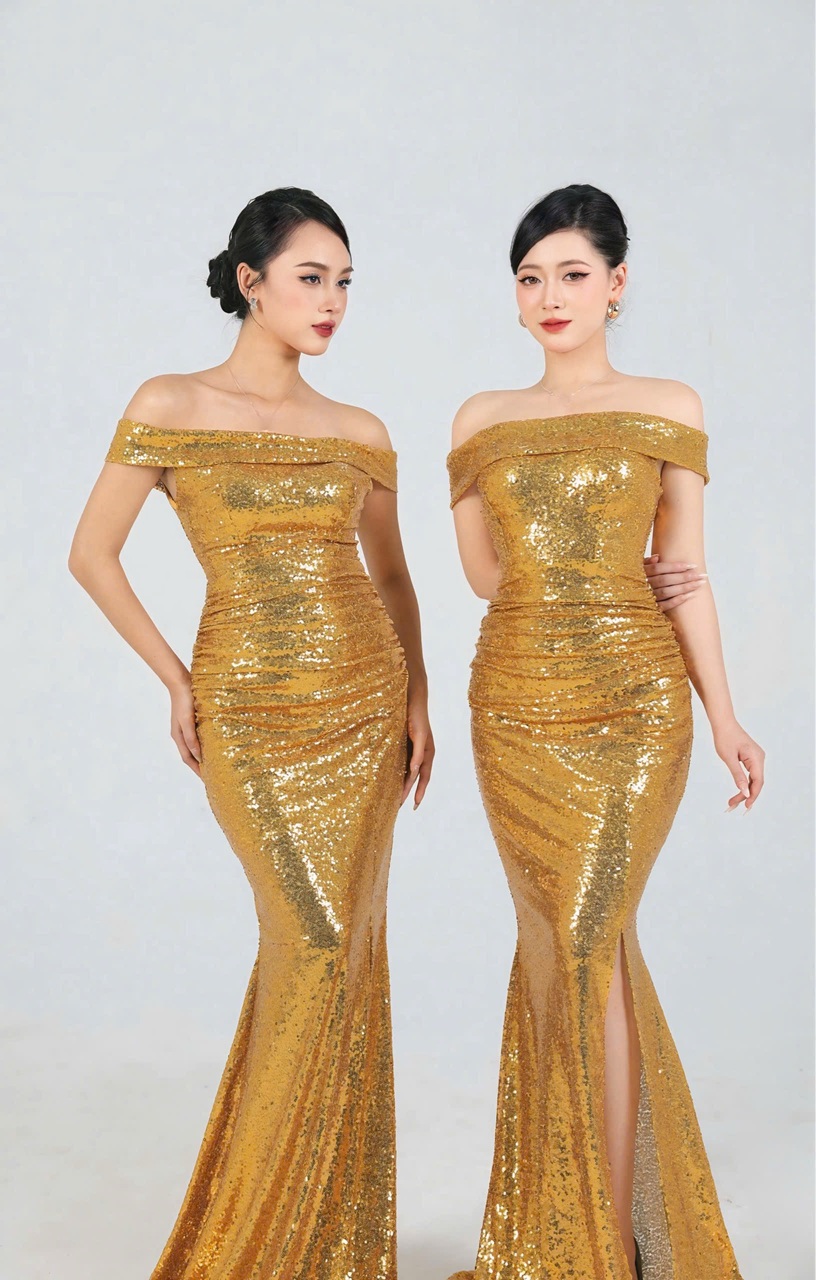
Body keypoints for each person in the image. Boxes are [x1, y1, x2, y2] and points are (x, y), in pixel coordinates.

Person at [68, 187, 434, 1280]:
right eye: (311, 277)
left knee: (340, 953)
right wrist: (176, 678)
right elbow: (91, 553)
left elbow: (394, 575)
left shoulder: (359, 429)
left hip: (363, 703)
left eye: (345, 282)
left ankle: (325, 1241)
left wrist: (416, 697)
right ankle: (258, 1237)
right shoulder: (171, 402)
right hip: (248, 708)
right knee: (312, 941)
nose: (332, 302)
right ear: (249, 280)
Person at [446, 183, 763, 1280]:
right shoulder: (479, 419)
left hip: (634, 705)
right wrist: (576, 565)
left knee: (588, 935)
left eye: (573, 275)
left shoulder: (669, 402)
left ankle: (596, 1246)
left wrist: (724, 714)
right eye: (530, 277)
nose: (551, 295)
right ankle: (589, 1234)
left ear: (616, 285)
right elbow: (485, 577)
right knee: (573, 949)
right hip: (514, 705)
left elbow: (687, 573)